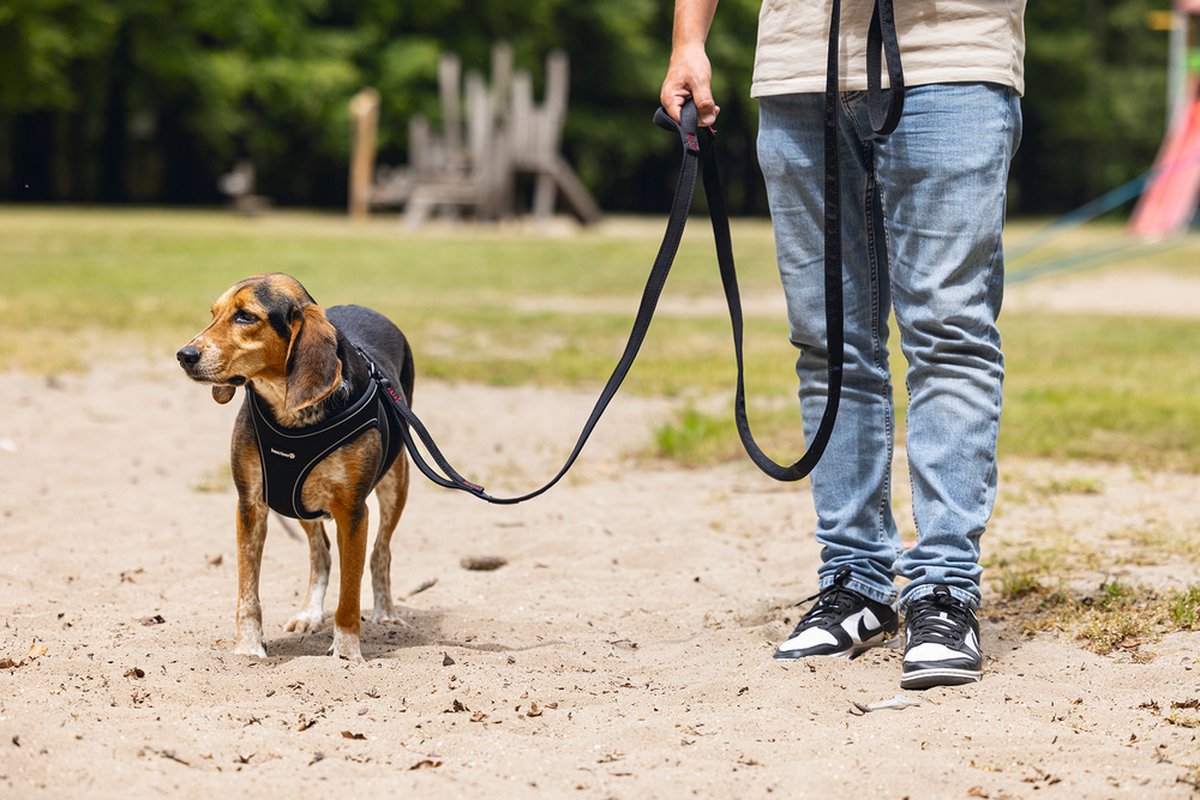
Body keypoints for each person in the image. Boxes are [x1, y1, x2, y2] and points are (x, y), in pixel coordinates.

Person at [661, 0, 1025, 689]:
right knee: (829, 343)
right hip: (800, 66)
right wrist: (689, 41)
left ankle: (944, 588)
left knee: (948, 334)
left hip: (951, 55)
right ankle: (855, 582)